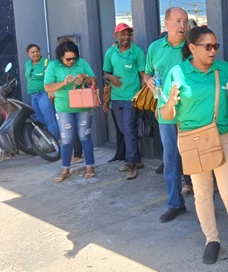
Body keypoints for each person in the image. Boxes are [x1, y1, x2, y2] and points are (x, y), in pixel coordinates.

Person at [160, 26, 228, 264]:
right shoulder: (177, 73)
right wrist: (171, 102)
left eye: (216, 46)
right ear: (192, 48)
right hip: (193, 139)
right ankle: (211, 240)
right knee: (201, 193)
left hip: (224, 136)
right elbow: (167, 115)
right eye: (208, 46)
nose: (213, 51)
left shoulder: (224, 69)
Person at [144, 7, 192, 223]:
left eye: (186, 21)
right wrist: (148, 81)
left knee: (197, 158)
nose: (182, 25)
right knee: (170, 160)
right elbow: (147, 73)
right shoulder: (155, 47)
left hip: (192, 114)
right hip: (166, 113)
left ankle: (204, 201)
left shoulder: (192, 47)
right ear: (167, 23)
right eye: (178, 21)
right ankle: (175, 204)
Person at [44, 41, 97, 182]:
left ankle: (90, 166)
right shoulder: (53, 66)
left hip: (83, 106)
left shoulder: (82, 63)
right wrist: (63, 83)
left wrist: (85, 77)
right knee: (66, 139)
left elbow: (94, 80)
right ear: (60, 57)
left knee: (84, 136)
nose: (72, 61)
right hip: (64, 108)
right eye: (68, 59)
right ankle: (65, 169)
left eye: (74, 58)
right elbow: (48, 87)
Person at [102, 23, 145, 180]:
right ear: (116, 35)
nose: (126, 37)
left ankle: (131, 164)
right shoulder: (110, 52)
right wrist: (110, 78)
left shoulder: (137, 52)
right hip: (115, 98)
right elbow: (106, 73)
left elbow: (143, 76)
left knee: (129, 130)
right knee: (124, 130)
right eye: (123, 34)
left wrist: (141, 97)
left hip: (131, 99)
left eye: (129, 34)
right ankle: (137, 158)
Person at [24, 44, 58, 139]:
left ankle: (54, 142)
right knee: (40, 120)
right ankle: (46, 142)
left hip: (43, 94)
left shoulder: (47, 63)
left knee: (49, 119)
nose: (35, 54)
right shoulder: (27, 64)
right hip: (33, 95)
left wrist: (51, 92)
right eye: (33, 52)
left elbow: (53, 78)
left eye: (37, 51)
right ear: (28, 54)